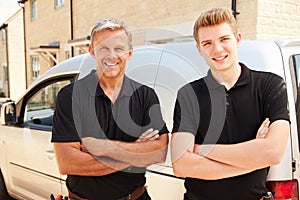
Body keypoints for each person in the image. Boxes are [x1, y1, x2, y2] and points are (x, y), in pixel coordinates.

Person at [171, 7, 290, 200]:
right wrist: (253, 155)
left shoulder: (270, 85)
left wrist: (201, 149)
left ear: (238, 39)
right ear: (199, 49)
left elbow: (273, 152)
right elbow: (181, 165)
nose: (217, 49)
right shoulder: (188, 94)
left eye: (224, 39)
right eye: (207, 43)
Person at [51, 18, 169, 200]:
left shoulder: (146, 95)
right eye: (104, 48)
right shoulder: (70, 96)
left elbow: (159, 152)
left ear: (129, 53)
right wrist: (136, 152)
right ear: (92, 51)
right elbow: (68, 163)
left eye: (119, 49)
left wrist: (104, 147)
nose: (111, 56)